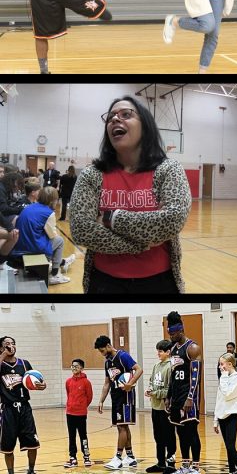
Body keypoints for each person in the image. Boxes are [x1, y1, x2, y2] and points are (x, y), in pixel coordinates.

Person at [69, 96, 192, 294]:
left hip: (159, 282)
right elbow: (81, 229)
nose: (115, 120)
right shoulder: (92, 174)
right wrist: (142, 244)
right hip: (104, 282)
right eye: (110, 118)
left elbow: (172, 220)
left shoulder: (168, 169)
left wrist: (110, 217)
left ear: (145, 125)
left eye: (126, 114)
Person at [94, 334, 143, 470]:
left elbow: (139, 369)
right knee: (122, 426)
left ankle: (118, 457)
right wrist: (101, 401)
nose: (102, 354)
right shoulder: (107, 362)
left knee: (122, 426)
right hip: (115, 396)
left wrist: (130, 383)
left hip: (126, 396)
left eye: (102, 350)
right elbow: (106, 383)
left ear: (109, 346)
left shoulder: (123, 356)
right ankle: (131, 457)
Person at [0, 336, 47, 474]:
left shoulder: (24, 363)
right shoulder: (2, 364)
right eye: (7, 344)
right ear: (1, 347)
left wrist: (42, 385)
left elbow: (36, 381)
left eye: (13, 343)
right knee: (8, 447)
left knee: (32, 443)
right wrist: (3, 355)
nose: (11, 346)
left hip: (25, 407)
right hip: (8, 409)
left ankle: (31, 470)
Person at [14, 184, 75, 285]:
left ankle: (62, 262)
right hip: (31, 249)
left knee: (49, 239)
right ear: (53, 200)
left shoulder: (30, 206)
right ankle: (55, 274)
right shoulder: (48, 213)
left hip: (19, 246)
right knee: (59, 240)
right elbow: (52, 236)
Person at [166, 311, 203, 474]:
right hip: (176, 398)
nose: (171, 336)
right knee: (180, 433)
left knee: (191, 431)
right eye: (169, 333)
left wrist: (190, 398)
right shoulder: (173, 349)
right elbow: (173, 376)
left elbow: (196, 376)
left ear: (181, 330)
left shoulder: (192, 347)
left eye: (173, 333)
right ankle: (185, 464)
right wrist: (168, 397)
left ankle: (195, 466)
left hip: (189, 399)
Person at [144, 340, 176, 474]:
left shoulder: (171, 366)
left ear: (168, 352)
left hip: (166, 408)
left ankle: (171, 463)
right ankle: (161, 463)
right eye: (157, 350)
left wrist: (156, 393)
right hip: (155, 407)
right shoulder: (156, 365)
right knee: (158, 436)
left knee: (169, 435)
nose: (158, 353)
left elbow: (170, 390)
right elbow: (152, 380)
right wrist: (150, 390)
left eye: (161, 351)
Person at [213, 354, 237, 474]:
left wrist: (224, 376)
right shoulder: (223, 377)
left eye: (222, 364)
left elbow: (227, 394)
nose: (220, 367)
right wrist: (215, 420)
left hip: (232, 415)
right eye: (219, 364)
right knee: (227, 447)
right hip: (221, 416)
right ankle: (232, 471)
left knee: (231, 447)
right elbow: (219, 399)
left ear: (230, 364)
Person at [64, 359, 94, 469]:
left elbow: (89, 397)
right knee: (72, 436)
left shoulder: (86, 382)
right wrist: (71, 405)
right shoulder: (68, 381)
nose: (73, 368)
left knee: (83, 435)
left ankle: (86, 456)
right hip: (70, 413)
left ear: (81, 368)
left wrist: (81, 406)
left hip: (81, 414)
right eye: (72, 366)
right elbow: (69, 394)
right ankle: (72, 457)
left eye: (76, 366)